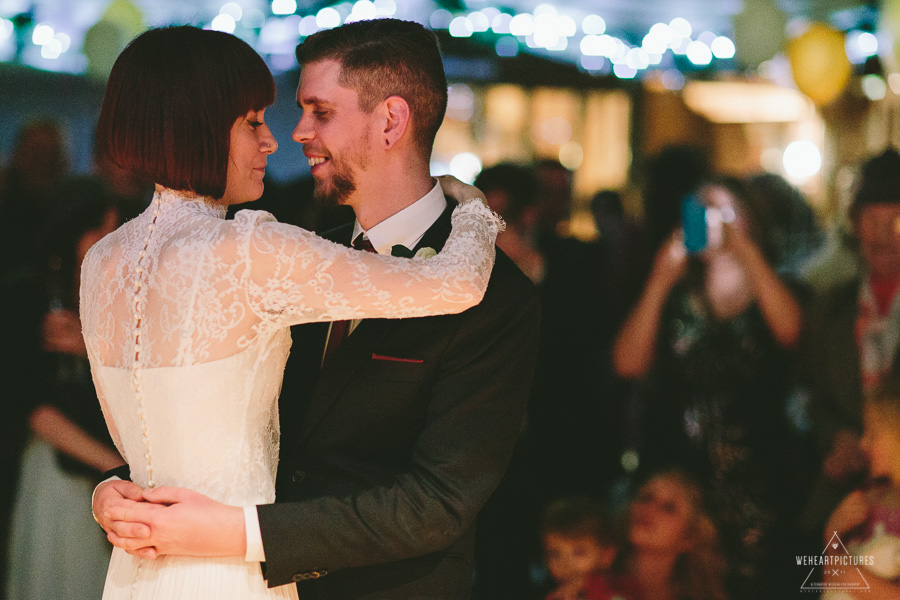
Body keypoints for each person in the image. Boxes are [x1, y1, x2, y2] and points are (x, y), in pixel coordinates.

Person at [92, 20, 540, 599]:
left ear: (391, 121)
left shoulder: (499, 298)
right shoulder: (280, 248)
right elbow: (199, 412)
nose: (294, 133)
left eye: (320, 112)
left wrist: (238, 533)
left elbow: (436, 503)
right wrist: (113, 487)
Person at [613, 181, 803, 597]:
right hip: (677, 474)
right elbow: (627, 364)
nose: (713, 219)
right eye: (702, 209)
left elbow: (791, 333)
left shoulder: (779, 284)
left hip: (754, 477)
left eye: (725, 210)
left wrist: (746, 252)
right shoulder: (676, 290)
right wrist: (660, 280)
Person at [3, 184, 121, 600]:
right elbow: (30, 406)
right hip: (64, 466)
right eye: (102, 229)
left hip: (109, 465)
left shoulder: (114, 296)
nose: (114, 241)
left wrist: (92, 348)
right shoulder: (28, 296)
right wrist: (113, 464)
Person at [803, 149, 900, 540]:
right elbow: (812, 393)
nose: (883, 234)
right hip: (841, 493)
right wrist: (835, 438)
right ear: (855, 225)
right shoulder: (832, 306)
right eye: (871, 220)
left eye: (897, 221)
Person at [822, 374, 900, 598]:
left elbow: (845, 578)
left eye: (873, 434)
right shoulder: (868, 500)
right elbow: (830, 582)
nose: (863, 444)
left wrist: (853, 578)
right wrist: (832, 533)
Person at [622, 469, 726, 600]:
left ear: (688, 538)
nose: (650, 508)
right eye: (646, 498)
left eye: (669, 507)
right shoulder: (592, 577)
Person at [540, 496, 639, 600]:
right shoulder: (555, 597)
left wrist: (591, 587)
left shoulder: (623, 586)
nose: (565, 563)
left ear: (606, 556)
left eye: (579, 552)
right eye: (555, 554)